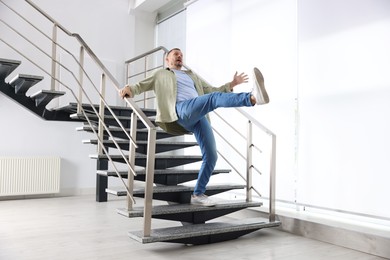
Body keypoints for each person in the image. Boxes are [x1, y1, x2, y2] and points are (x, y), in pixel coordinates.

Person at [119, 48, 269, 207]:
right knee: (212, 99)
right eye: (176, 54)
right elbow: (142, 85)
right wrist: (130, 89)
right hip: (181, 110)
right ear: (167, 59)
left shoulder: (192, 75)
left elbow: (211, 91)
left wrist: (232, 84)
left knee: (211, 156)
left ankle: (198, 194)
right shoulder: (160, 74)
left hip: (198, 116)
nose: (179, 56)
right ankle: (252, 98)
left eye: (181, 55)